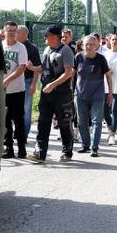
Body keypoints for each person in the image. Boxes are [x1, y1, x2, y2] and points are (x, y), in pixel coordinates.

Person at [27, 26, 75, 164]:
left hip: (62, 94)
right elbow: (44, 68)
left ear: (54, 37)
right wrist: (32, 68)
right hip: (46, 93)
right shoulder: (47, 50)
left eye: (46, 35)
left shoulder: (66, 51)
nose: (45, 38)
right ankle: (40, 153)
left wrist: (53, 85)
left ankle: (67, 151)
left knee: (64, 123)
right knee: (43, 122)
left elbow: (69, 72)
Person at [74, 35, 112, 157]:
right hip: (80, 94)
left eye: (92, 44)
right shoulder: (78, 57)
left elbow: (108, 75)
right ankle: (85, 145)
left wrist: (110, 92)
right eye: (87, 44)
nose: (89, 47)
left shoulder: (101, 59)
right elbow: (72, 75)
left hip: (97, 95)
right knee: (82, 121)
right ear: (82, 45)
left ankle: (94, 147)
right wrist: (71, 90)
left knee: (97, 121)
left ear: (97, 46)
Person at [0, 22, 28, 158]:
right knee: (5, 120)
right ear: (4, 31)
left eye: (13, 30)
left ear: (17, 32)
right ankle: (8, 148)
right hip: (3, 90)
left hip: (17, 90)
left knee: (18, 119)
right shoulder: (0, 46)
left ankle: (21, 148)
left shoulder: (21, 48)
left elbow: (22, 67)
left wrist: (7, 80)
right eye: (8, 30)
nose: (11, 32)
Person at [17, 26, 42, 139]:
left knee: (26, 110)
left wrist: (33, 84)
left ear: (25, 35)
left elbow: (37, 68)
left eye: (18, 33)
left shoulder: (32, 49)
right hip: (14, 82)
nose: (15, 35)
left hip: (27, 82)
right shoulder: (14, 46)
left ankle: (24, 135)